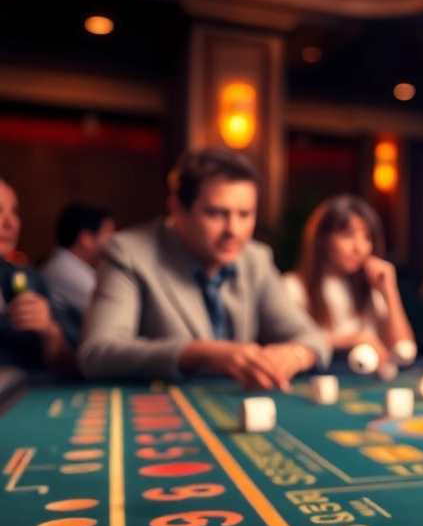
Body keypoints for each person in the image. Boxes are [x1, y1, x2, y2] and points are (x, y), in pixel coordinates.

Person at [79, 149, 330, 388]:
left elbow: (312, 337)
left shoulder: (256, 258)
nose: (233, 230)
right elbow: (98, 353)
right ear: (178, 210)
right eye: (217, 214)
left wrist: (295, 355)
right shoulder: (129, 253)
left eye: (245, 215)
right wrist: (202, 353)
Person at [284, 195, 415, 367]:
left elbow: (404, 351)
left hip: (369, 384)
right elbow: (287, 344)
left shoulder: (372, 286)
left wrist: (389, 291)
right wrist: (353, 340)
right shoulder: (292, 287)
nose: (360, 248)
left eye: (367, 237)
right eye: (347, 235)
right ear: (323, 240)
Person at [0, 175, 78, 372]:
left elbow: (67, 366)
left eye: (15, 212)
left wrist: (49, 331)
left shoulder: (27, 278)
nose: (11, 223)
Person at [41, 204, 115, 328]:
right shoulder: (64, 270)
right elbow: (112, 312)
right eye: (109, 235)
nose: (114, 243)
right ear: (85, 239)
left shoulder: (69, 265)